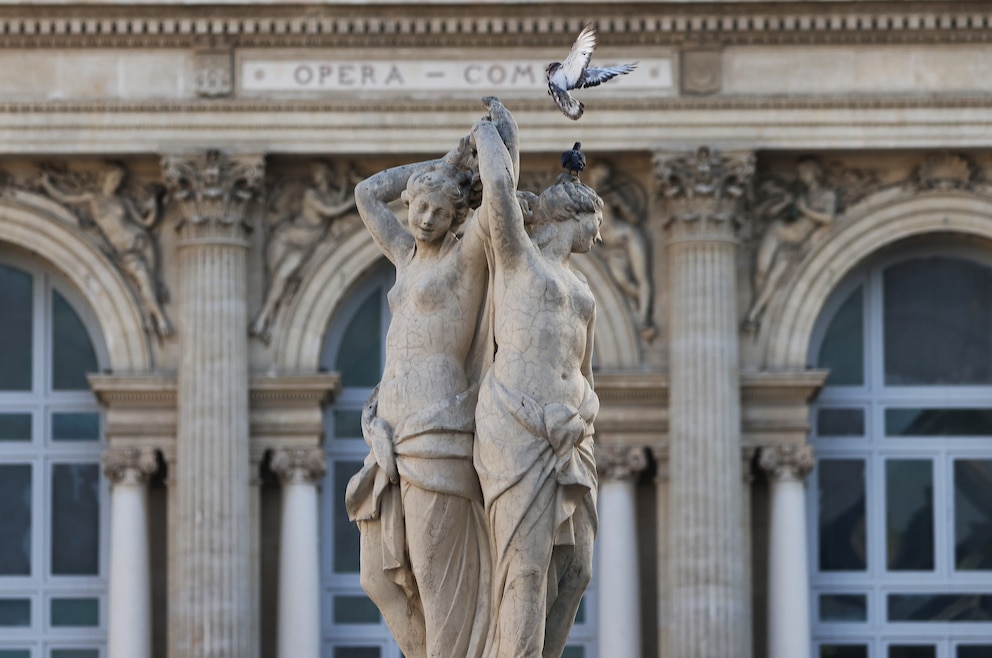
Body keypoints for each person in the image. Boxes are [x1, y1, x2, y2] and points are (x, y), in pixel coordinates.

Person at [345, 99, 518, 658]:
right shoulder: (405, 257)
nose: (424, 219)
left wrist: (489, 149)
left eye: (440, 213)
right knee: (379, 578)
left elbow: (499, 198)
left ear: (455, 219)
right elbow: (367, 193)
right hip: (391, 430)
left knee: (440, 586)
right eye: (420, 207)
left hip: (437, 426)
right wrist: (445, 162)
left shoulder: (466, 257)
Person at [471, 112, 602, 658]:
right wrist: (494, 138)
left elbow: (584, 367)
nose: (602, 231)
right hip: (519, 429)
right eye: (599, 219)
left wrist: (586, 409)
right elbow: (499, 191)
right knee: (524, 571)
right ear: (579, 215)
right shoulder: (518, 260)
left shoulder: (581, 285)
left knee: (575, 572)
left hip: (573, 437)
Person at [41, 164, 173, 337]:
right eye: (113, 179)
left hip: (141, 243)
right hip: (121, 251)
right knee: (144, 285)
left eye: (119, 181)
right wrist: (46, 183)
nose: (115, 184)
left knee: (147, 284)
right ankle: (152, 317)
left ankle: (159, 318)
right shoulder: (93, 197)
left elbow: (145, 223)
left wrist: (154, 205)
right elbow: (64, 198)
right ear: (104, 179)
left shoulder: (123, 202)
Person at [251, 162, 358, 339]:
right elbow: (332, 211)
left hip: (307, 244)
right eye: (314, 173)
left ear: (327, 175)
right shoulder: (311, 194)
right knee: (282, 277)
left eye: (318, 172)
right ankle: (263, 319)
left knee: (283, 279)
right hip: (290, 240)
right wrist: (356, 197)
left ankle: (265, 323)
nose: (315, 177)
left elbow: (337, 201)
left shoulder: (330, 193)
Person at [746, 158, 837, 327]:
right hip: (779, 231)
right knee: (761, 270)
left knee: (773, 278)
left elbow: (828, 218)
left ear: (814, 172)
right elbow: (770, 212)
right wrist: (786, 203)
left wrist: (805, 210)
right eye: (799, 172)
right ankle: (757, 309)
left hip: (796, 241)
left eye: (804, 172)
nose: (801, 176)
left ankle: (756, 314)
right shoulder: (798, 194)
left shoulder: (826, 195)